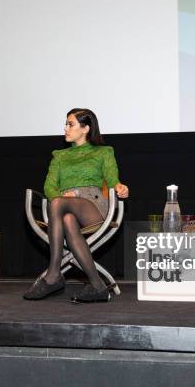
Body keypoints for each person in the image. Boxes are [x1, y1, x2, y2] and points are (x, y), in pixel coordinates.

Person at [23, 108, 129, 303]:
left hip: (93, 206)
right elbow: (49, 186)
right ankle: (98, 286)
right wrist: (62, 199)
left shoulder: (104, 152)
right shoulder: (59, 156)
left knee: (58, 205)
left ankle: (53, 274)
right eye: (65, 124)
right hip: (63, 205)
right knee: (67, 218)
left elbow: (113, 181)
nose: (65, 128)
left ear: (86, 128)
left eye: (70, 124)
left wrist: (121, 188)